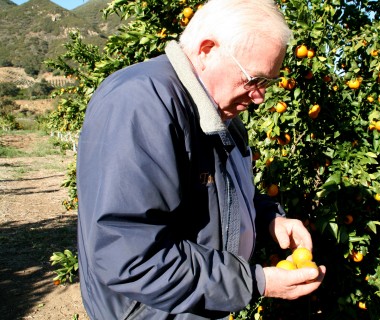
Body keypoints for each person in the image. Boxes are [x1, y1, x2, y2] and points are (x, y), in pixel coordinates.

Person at [76, 0, 326, 319]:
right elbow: (131, 255)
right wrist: (253, 282)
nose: (260, 97)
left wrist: (267, 219)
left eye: (267, 83)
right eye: (254, 79)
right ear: (207, 50)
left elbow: (221, 196)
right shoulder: (142, 105)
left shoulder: (220, 116)